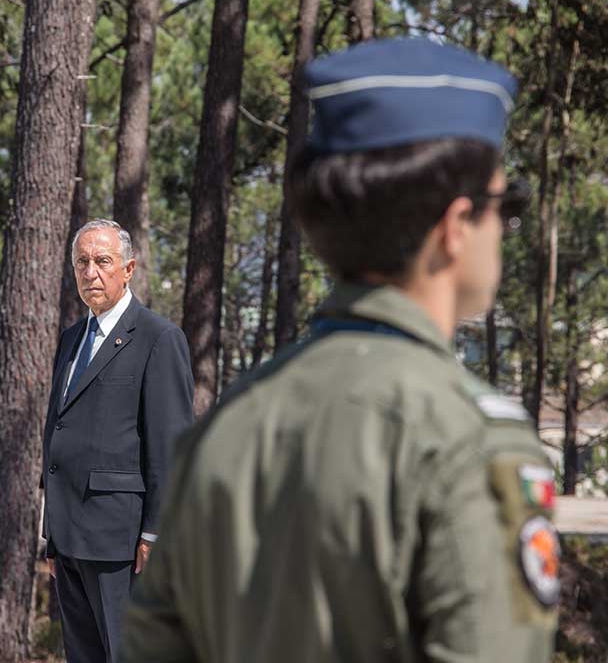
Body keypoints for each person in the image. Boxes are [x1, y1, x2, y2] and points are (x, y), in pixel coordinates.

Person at [122, 38, 558, 663]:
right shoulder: (472, 443)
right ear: (455, 228)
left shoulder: (226, 428)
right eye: (504, 206)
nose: (505, 231)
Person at [42, 218, 195, 663]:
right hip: (70, 540)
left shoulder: (158, 338)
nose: (91, 272)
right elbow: (59, 431)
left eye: (102, 261)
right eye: (82, 262)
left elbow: (171, 446)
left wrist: (156, 532)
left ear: (128, 269)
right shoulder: (72, 338)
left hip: (123, 543)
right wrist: (52, 534)